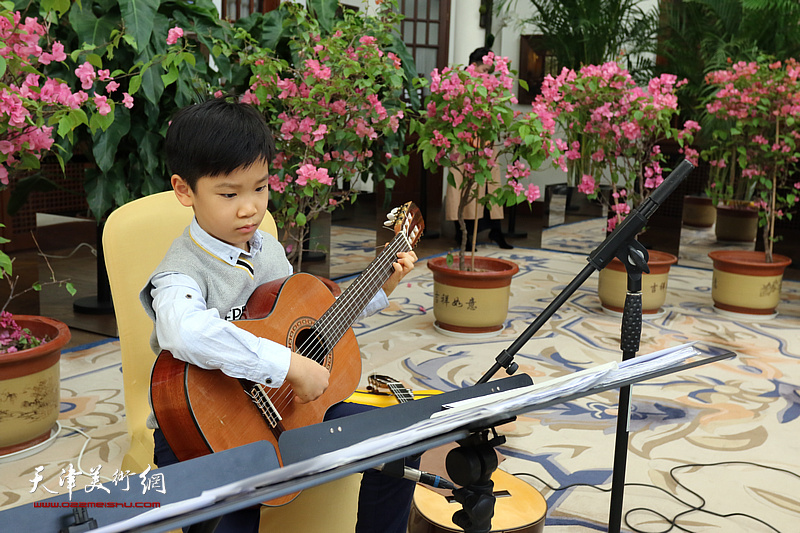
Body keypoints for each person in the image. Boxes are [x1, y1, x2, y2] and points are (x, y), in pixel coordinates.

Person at [140, 98, 419, 533]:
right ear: (184, 190)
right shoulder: (180, 273)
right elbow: (184, 331)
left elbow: (309, 326)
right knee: (232, 509)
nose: (249, 207)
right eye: (229, 194)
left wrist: (378, 290)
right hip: (201, 431)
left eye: (260, 188)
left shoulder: (267, 250)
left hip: (288, 414)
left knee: (401, 441)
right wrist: (285, 365)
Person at [444, 46, 513, 250]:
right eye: (484, 71)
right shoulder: (460, 83)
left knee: (490, 184)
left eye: (489, 72)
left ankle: (496, 231)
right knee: (465, 185)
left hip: (485, 138)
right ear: (473, 66)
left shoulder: (488, 86)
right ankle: (463, 234)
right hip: (465, 141)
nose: (487, 76)